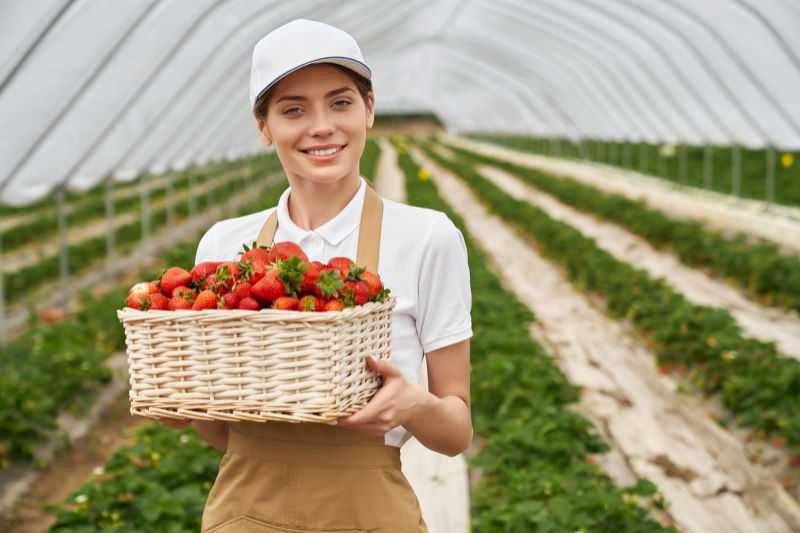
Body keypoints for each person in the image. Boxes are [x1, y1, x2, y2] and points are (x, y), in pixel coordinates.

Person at [159, 19, 472, 532]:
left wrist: (414, 404)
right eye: (293, 109)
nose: (322, 126)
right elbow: (221, 434)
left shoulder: (426, 237)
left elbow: (456, 433)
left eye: (340, 102)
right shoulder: (223, 247)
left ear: (369, 108)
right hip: (244, 512)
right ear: (264, 127)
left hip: (370, 516)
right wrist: (187, 403)